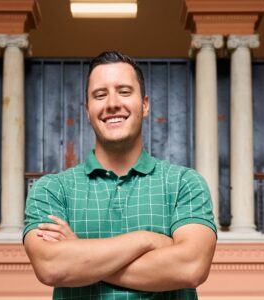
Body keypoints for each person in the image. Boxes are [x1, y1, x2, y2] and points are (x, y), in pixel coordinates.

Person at [23, 51, 217, 299]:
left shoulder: (184, 184)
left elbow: (191, 267)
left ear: (144, 105)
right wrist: (146, 240)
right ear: (88, 109)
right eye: (100, 95)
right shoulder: (51, 189)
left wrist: (80, 256)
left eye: (124, 92)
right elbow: (51, 267)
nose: (112, 103)